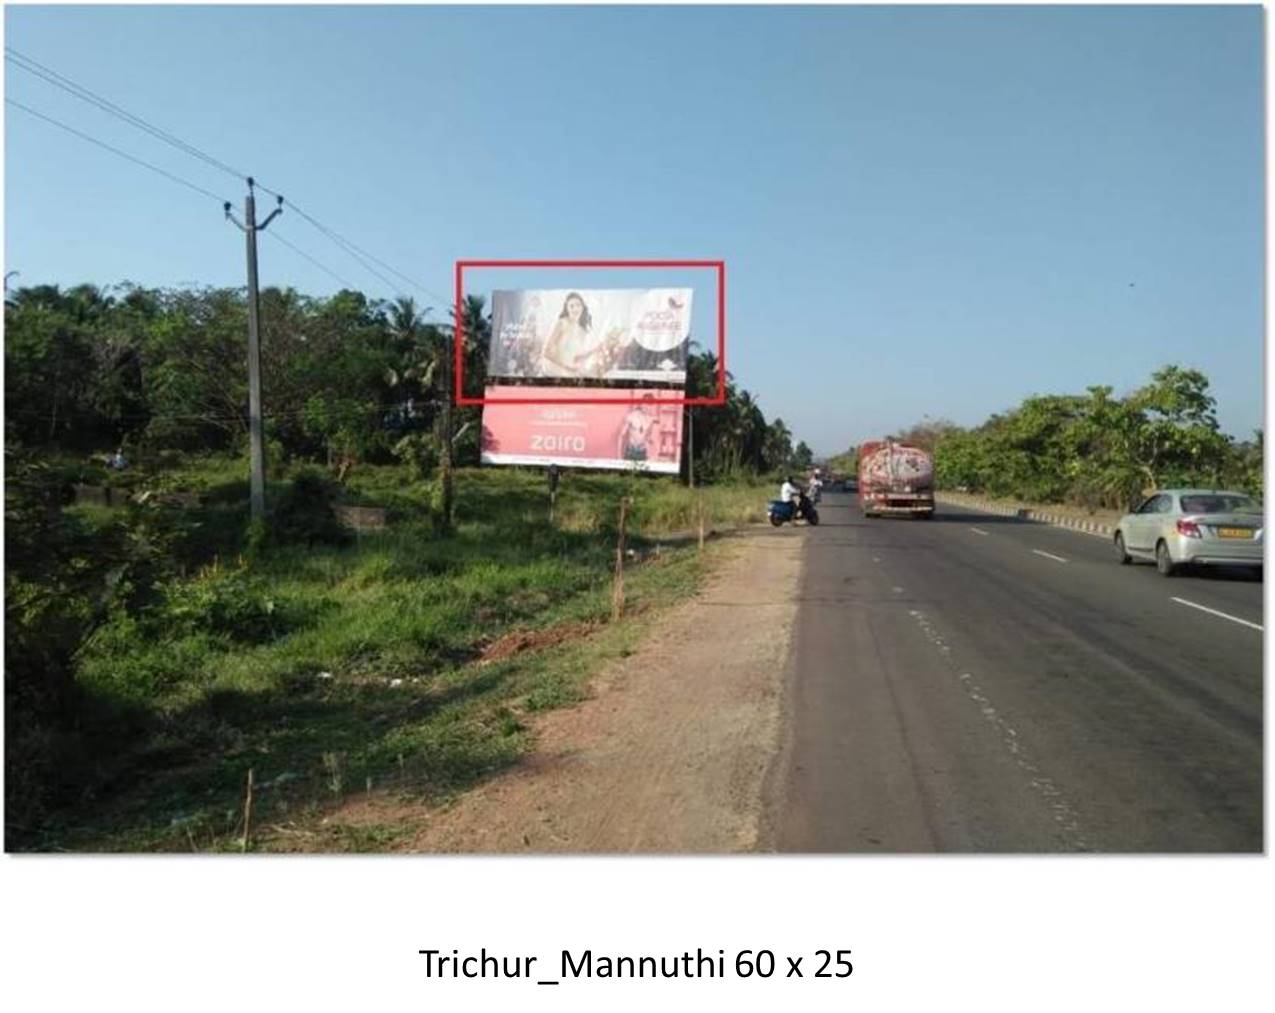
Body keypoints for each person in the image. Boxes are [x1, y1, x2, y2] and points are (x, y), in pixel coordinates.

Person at [618, 394, 661, 462]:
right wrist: (619, 456)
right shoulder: (632, 416)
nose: (647, 407)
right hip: (630, 452)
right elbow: (621, 435)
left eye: (649, 405)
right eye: (645, 404)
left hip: (643, 453)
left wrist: (655, 456)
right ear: (641, 404)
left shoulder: (652, 419)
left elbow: (655, 440)